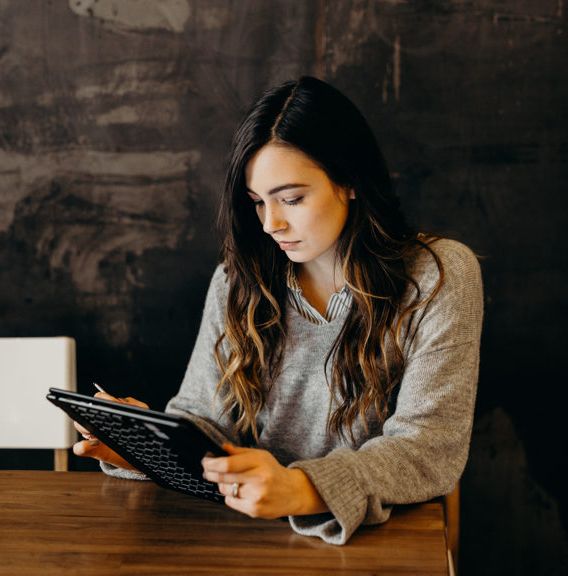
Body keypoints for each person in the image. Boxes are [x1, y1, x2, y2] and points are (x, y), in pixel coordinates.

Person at [73, 76, 483, 545]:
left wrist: (302, 488)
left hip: (385, 543)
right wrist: (144, 447)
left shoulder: (438, 275)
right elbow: (207, 423)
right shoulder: (237, 280)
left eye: (291, 199)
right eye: (257, 203)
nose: (271, 224)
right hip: (252, 541)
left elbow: (430, 447)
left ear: (350, 181)